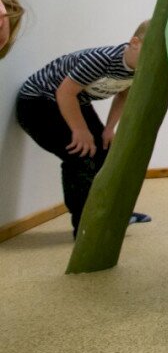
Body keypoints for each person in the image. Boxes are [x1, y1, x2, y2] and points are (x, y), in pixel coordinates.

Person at [16, 22, 154, 235]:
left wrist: (109, 129)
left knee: (106, 151)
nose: (153, 58)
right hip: (38, 102)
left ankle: (112, 214)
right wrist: (80, 131)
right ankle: (84, 226)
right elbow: (64, 92)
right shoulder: (101, 60)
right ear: (135, 43)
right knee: (80, 155)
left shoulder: (139, 68)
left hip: (75, 100)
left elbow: (123, 94)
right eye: (150, 50)